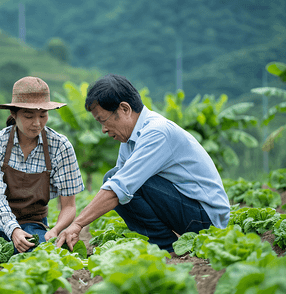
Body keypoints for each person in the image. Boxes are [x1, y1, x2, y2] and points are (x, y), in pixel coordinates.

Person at [56, 74, 230, 253]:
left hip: (209, 220)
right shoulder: (129, 140)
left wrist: (77, 224)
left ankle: (164, 247)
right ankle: (163, 245)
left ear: (124, 108)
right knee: (116, 176)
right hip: (190, 212)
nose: (104, 130)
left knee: (121, 181)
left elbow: (120, 186)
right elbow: (118, 182)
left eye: (103, 120)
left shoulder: (157, 132)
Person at [0, 76, 85, 253]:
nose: (37, 123)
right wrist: (13, 230)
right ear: (13, 114)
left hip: (32, 221)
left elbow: (69, 206)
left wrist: (55, 230)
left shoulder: (60, 146)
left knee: (40, 256)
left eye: (43, 115)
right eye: (29, 116)